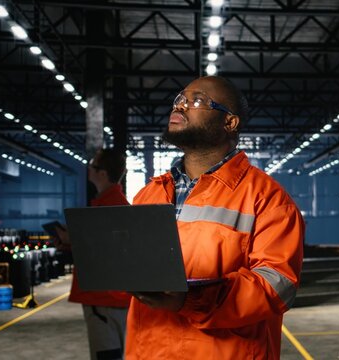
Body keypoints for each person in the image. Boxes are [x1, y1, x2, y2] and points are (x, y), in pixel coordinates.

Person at [126, 76, 305, 359]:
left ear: (230, 123)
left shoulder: (268, 199)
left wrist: (192, 300)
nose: (181, 106)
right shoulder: (149, 193)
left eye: (196, 101)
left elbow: (276, 286)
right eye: (179, 99)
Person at [55, 149, 131, 360]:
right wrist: (72, 246)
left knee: (107, 355)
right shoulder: (115, 204)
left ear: (103, 174)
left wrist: (73, 240)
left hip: (104, 298)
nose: (89, 169)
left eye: (93, 166)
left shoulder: (107, 208)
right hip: (113, 297)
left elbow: (109, 252)